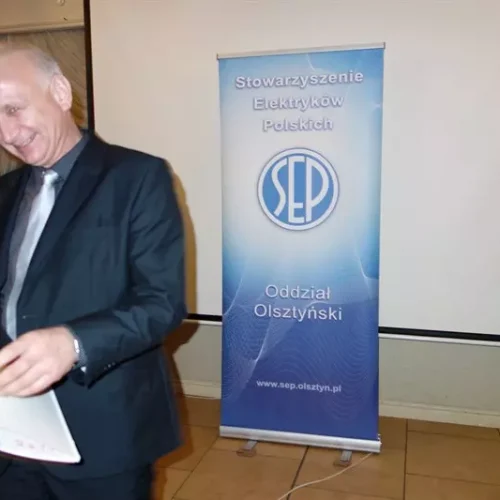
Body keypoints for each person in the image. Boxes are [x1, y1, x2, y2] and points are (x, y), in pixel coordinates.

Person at [0, 43, 186, 499]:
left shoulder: (138, 177)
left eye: (13, 109)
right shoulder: (4, 190)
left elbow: (161, 302)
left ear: (61, 92)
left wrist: (73, 342)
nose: (7, 132)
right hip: (13, 427)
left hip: (103, 429)